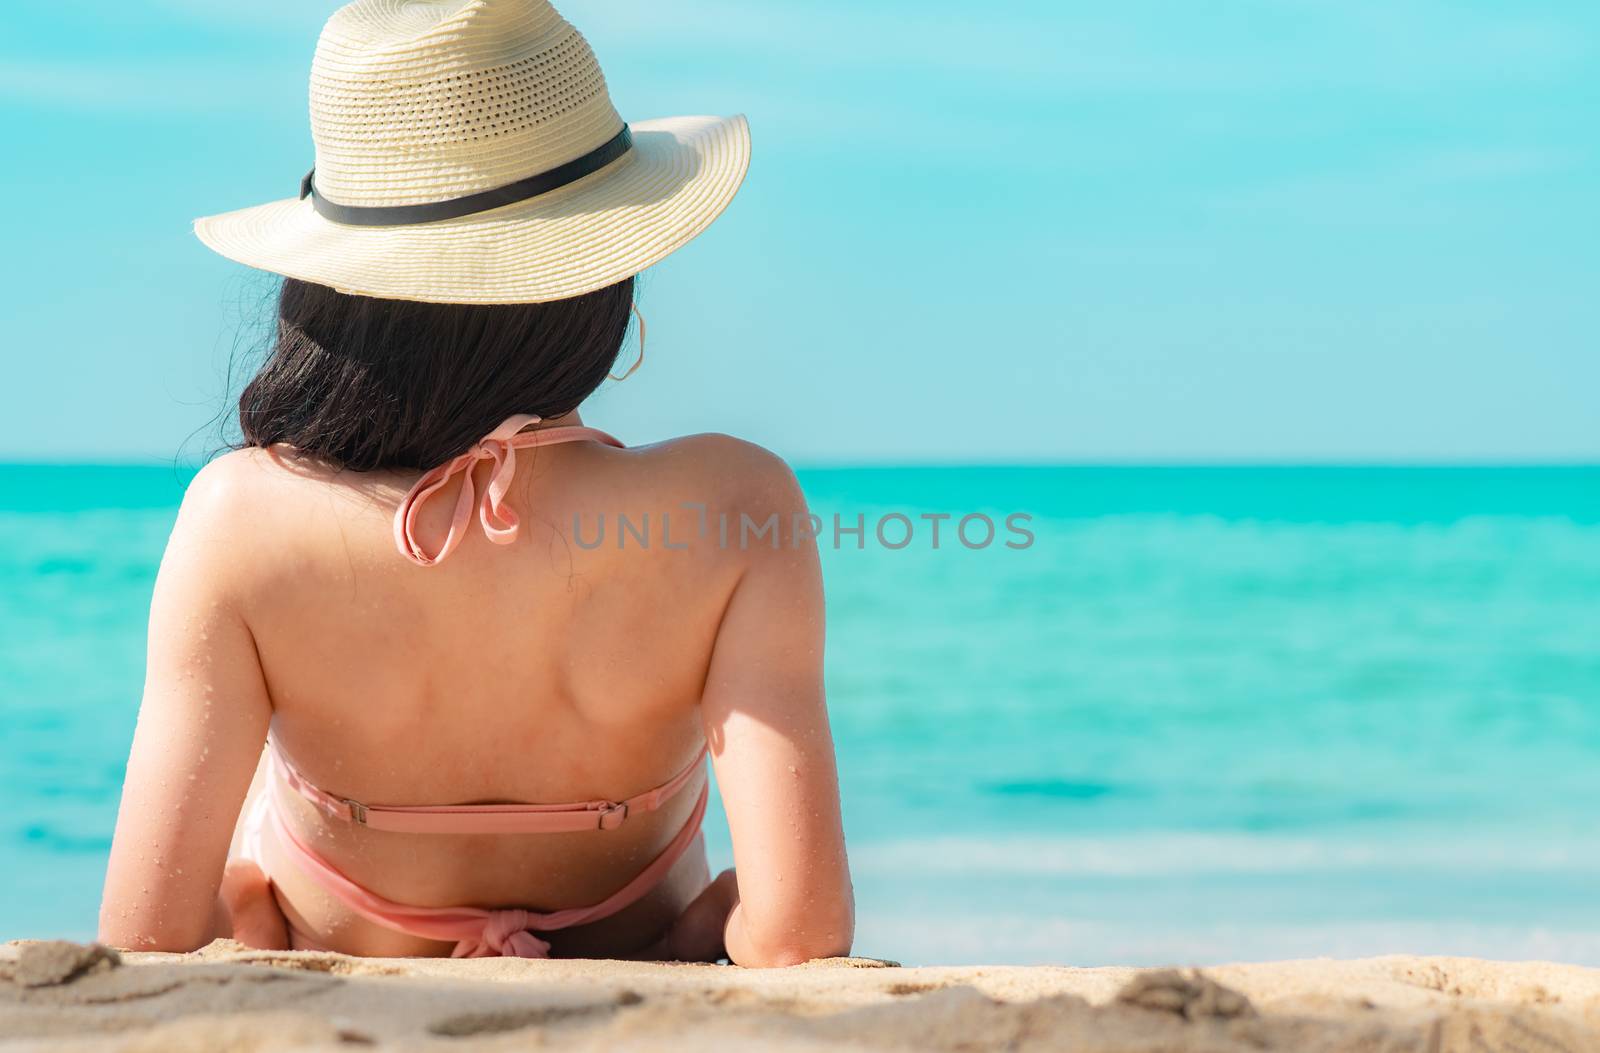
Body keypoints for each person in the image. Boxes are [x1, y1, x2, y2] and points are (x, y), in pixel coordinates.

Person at [98, 0, 853, 967]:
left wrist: (253, 924)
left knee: (256, 821)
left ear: (334, 291)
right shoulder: (736, 505)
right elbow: (799, 933)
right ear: (599, 276)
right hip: (631, 942)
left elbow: (145, 934)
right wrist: (688, 936)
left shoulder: (240, 518)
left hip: (348, 941)